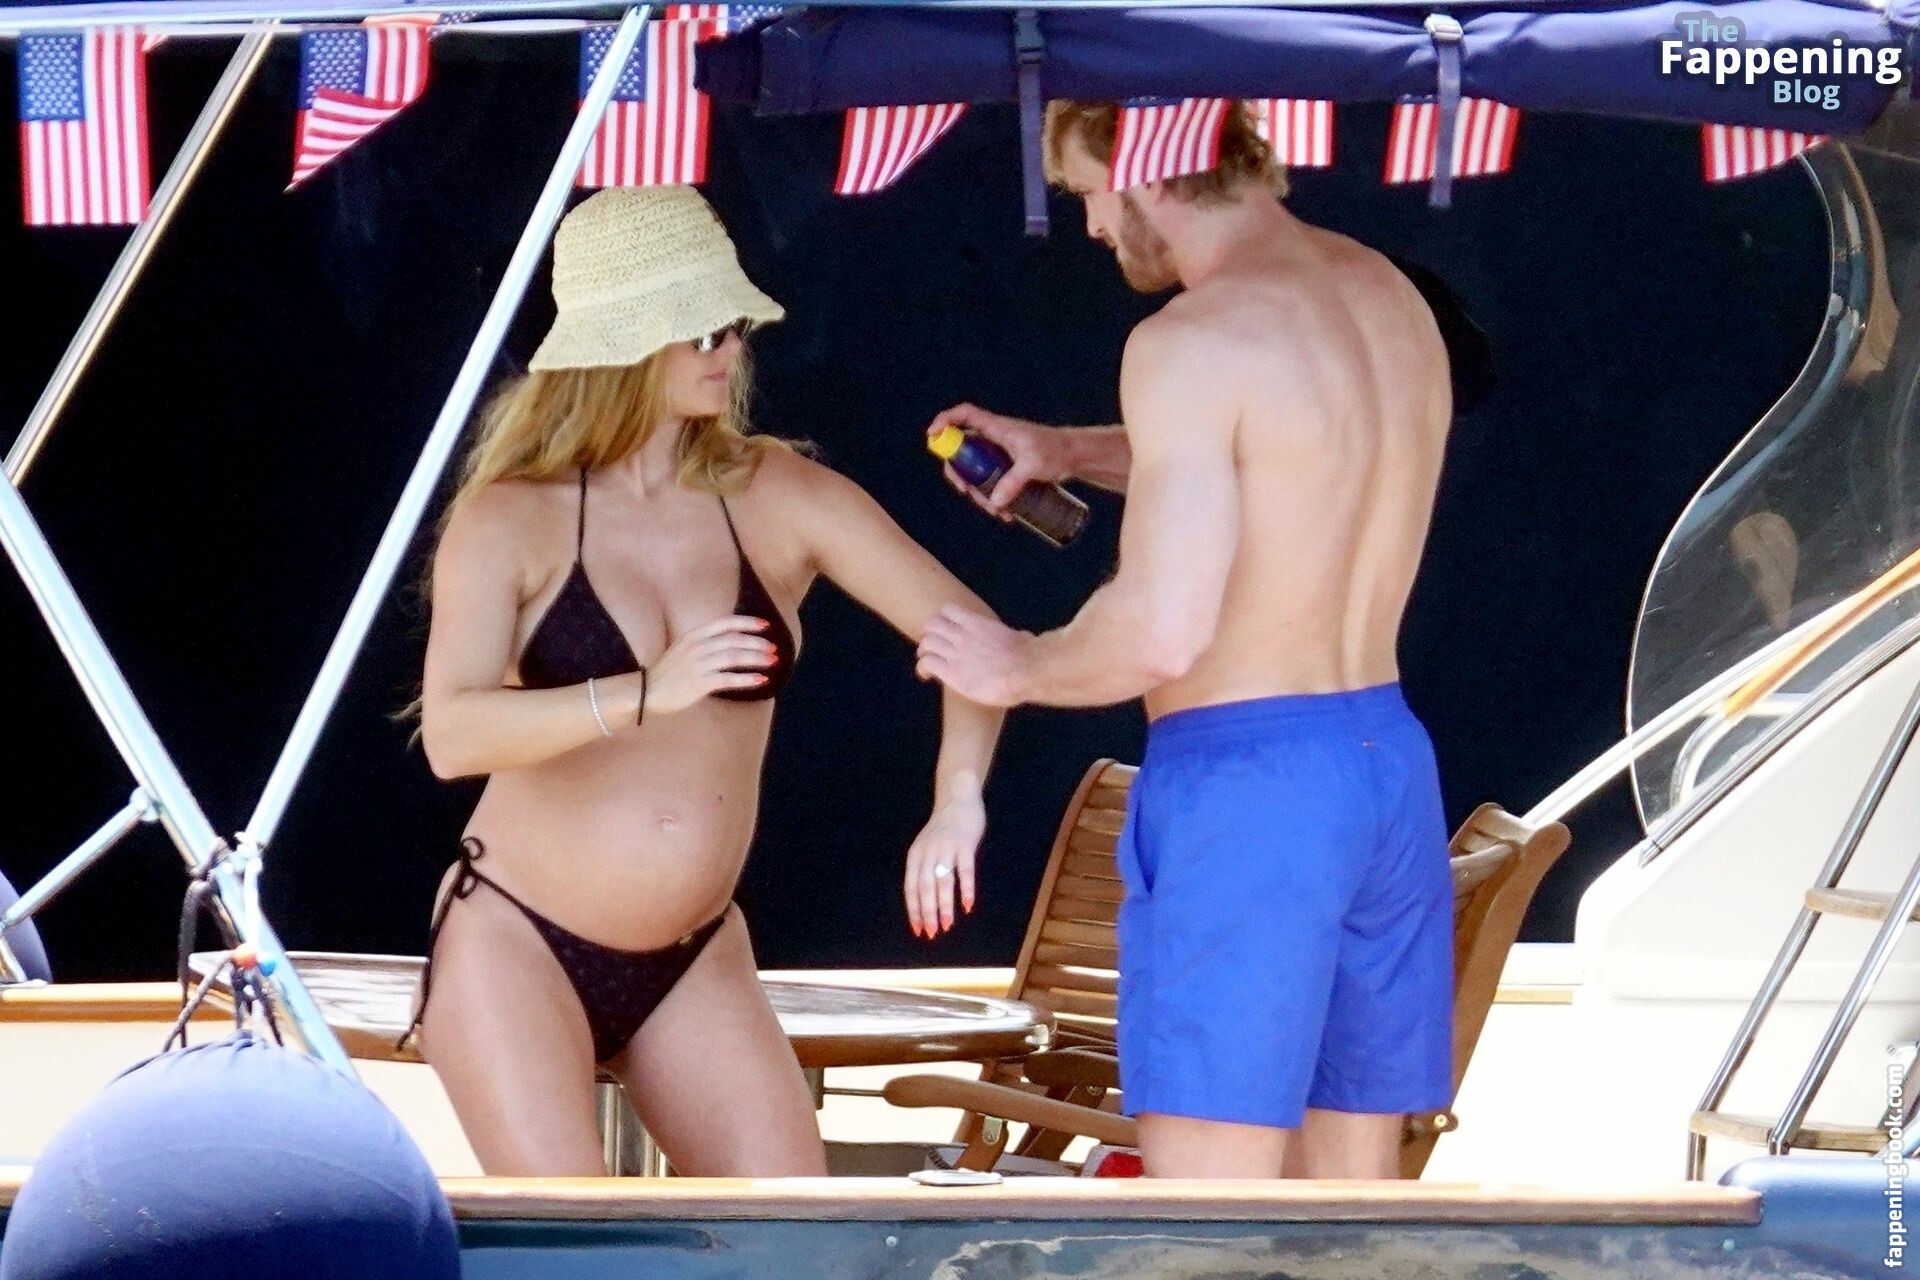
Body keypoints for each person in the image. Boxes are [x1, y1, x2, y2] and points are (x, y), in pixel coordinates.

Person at [405, 186, 1002, 1177]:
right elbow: (454, 735)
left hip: (694, 952)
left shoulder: (779, 492)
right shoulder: (512, 516)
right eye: (702, 330)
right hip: (517, 935)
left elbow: (976, 637)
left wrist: (957, 800)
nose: (729, 349)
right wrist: (648, 690)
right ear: (627, 345)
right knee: (582, 1236)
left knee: (791, 1232)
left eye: (734, 325)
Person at [914, 101, 1455, 1179]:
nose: (1092, 226)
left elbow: (1159, 632)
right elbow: (1285, 449)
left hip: (1248, 787)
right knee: (1356, 1204)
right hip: (1382, 762)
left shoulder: (1188, 342)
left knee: (1208, 1202)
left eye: (1088, 193)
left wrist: (1019, 664)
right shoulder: (1385, 294)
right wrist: (1067, 449)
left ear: (1146, 168)